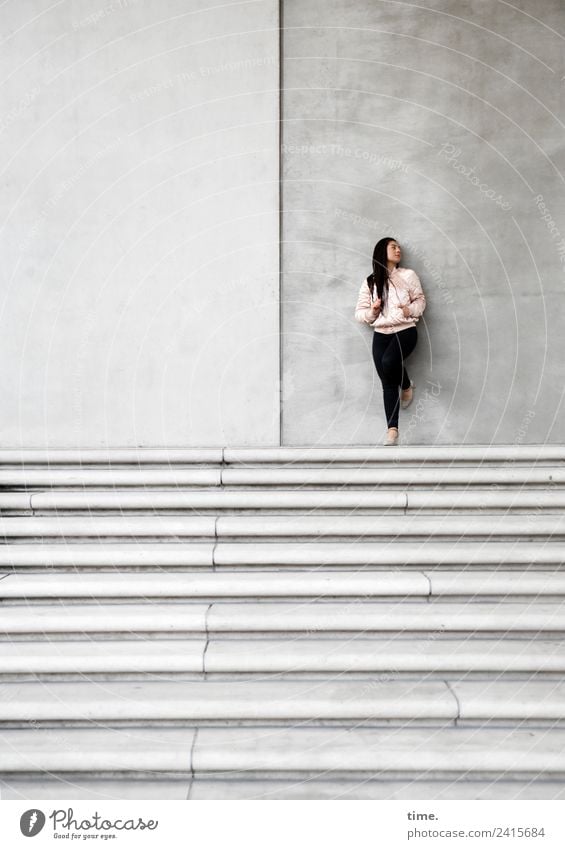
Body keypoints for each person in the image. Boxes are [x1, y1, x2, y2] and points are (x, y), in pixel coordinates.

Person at [354, 237, 426, 445]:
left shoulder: (408, 275)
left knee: (388, 363)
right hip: (381, 333)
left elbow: (420, 300)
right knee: (386, 381)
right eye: (393, 247)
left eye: (399, 247)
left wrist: (408, 309)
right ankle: (392, 430)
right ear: (381, 251)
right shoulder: (370, 282)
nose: (398, 250)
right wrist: (373, 310)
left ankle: (405, 385)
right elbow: (359, 313)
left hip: (405, 330)